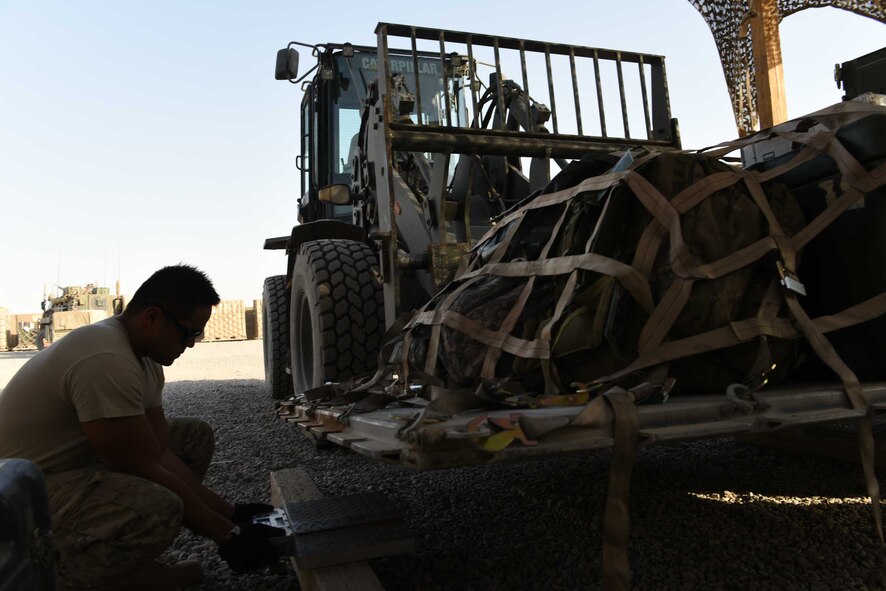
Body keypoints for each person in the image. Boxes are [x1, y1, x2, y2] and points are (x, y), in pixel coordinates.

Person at [0, 265, 285, 590]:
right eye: (189, 333)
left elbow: (158, 451)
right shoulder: (106, 359)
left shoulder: (144, 359)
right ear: (152, 317)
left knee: (193, 439)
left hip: (63, 467)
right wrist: (228, 535)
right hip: (18, 493)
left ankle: (126, 564)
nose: (192, 344)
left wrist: (233, 514)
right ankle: (62, 573)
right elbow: (140, 465)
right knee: (159, 509)